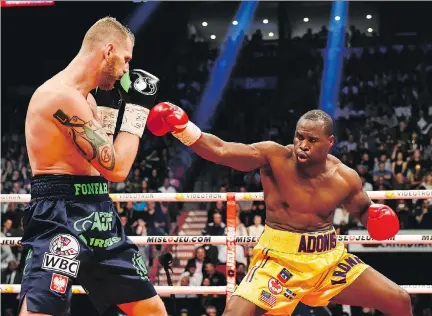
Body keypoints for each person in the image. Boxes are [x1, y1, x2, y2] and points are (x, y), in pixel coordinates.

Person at [146, 103, 410, 316]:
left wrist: (375, 215)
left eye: (312, 140)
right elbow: (222, 150)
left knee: (399, 299)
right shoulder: (275, 157)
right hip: (278, 261)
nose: (302, 145)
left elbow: (363, 210)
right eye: (299, 137)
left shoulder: (345, 177)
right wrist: (183, 128)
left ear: (330, 142)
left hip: (329, 260)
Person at [19, 17, 167, 316]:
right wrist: (138, 108)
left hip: (98, 210)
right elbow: (118, 168)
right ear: (108, 50)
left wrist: (112, 108)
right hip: (59, 214)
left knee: (151, 310)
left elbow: (102, 161)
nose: (127, 69)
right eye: (125, 60)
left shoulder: (86, 99)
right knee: (41, 311)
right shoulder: (59, 96)